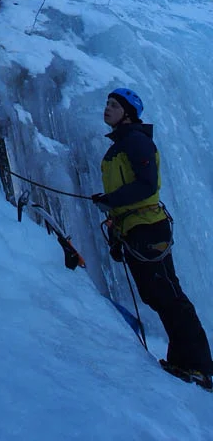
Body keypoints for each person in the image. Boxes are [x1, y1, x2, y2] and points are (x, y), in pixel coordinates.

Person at [91, 87, 213, 389]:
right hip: (134, 228)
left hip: (149, 227)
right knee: (158, 296)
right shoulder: (120, 145)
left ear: (128, 113)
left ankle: (201, 368)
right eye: (107, 103)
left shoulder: (135, 141)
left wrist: (112, 200)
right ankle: (182, 361)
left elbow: (147, 186)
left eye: (114, 105)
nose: (107, 108)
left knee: (169, 296)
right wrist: (114, 213)